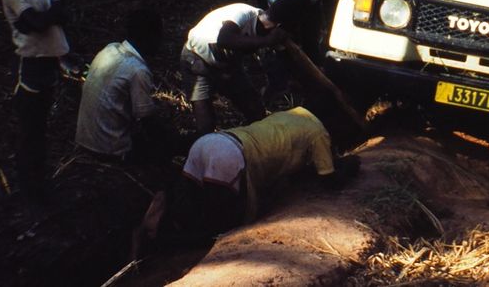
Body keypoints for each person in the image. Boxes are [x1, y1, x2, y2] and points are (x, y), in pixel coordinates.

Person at [135, 107, 360, 251]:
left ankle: (154, 226)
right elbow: (329, 181)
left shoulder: (297, 113)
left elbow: (286, 154)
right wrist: (351, 165)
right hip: (229, 157)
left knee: (191, 209)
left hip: (210, 142)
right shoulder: (319, 134)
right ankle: (161, 246)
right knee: (221, 231)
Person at [0, 0, 69, 205]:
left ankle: (39, 183)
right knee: (30, 132)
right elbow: (36, 22)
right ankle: (29, 188)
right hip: (30, 70)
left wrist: (47, 17)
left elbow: (55, 12)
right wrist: (49, 17)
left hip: (48, 66)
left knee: (40, 130)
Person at [179, 0, 311, 136]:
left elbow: (288, 59)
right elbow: (224, 39)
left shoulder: (272, 32)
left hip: (228, 65)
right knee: (205, 125)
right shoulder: (243, 13)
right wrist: (267, 41)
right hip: (197, 60)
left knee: (255, 111)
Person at [75, 7, 180, 166]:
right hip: (109, 149)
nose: (161, 43)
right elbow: (147, 121)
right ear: (149, 37)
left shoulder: (110, 49)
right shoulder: (138, 70)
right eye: (159, 36)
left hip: (84, 140)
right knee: (165, 151)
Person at [266, 0, 333, 74]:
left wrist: (329, 27)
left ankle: (314, 60)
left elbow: (330, 2)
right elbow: (274, 21)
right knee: (287, 37)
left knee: (311, 32)